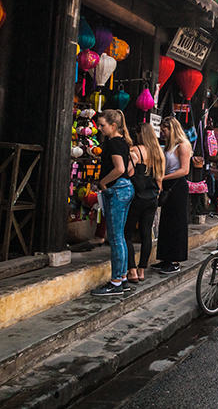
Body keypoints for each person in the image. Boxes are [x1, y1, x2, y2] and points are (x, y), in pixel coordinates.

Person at [92, 110, 135, 296]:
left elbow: (120, 169)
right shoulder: (123, 142)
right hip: (125, 188)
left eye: (102, 125)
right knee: (120, 236)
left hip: (117, 189)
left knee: (116, 237)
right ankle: (122, 278)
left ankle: (116, 280)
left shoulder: (114, 143)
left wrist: (103, 182)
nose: (100, 129)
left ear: (113, 126)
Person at [124, 124, 165, 283]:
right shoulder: (158, 153)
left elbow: (127, 172)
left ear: (141, 135)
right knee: (146, 233)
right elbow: (160, 180)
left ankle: (132, 270)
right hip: (152, 197)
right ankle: (142, 271)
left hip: (136, 197)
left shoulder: (135, 151)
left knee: (126, 233)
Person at [154, 117, 192, 274]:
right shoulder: (168, 145)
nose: (163, 133)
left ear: (172, 129)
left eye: (165, 130)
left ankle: (175, 260)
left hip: (177, 185)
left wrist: (163, 178)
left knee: (177, 222)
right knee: (166, 222)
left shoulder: (182, 145)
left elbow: (185, 170)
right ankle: (165, 258)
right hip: (168, 184)